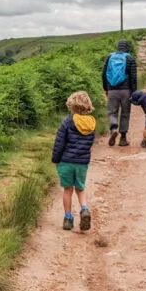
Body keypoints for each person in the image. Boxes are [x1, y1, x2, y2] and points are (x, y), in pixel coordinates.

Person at [51, 91, 97, 231]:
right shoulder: (91, 123)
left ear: (72, 105)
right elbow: (90, 143)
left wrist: (55, 159)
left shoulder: (67, 121)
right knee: (80, 188)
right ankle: (84, 209)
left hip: (66, 161)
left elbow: (59, 143)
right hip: (82, 163)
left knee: (67, 190)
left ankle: (68, 219)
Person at [102, 39, 138, 147]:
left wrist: (106, 88)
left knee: (112, 112)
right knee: (125, 113)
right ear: (127, 47)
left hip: (112, 89)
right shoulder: (130, 58)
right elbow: (133, 77)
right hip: (126, 91)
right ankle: (123, 139)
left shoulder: (110, 57)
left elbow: (103, 74)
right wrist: (134, 92)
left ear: (118, 47)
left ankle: (113, 129)